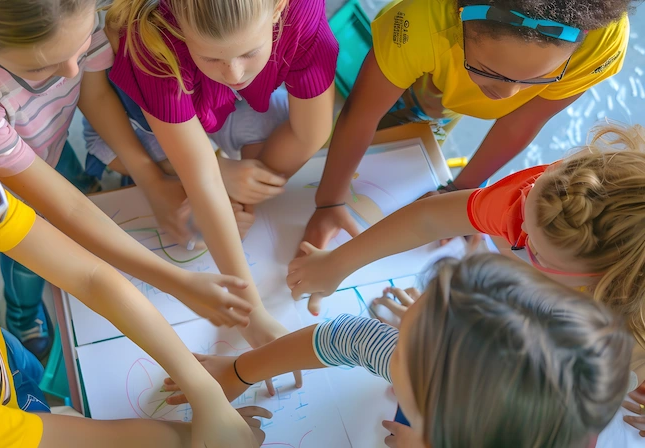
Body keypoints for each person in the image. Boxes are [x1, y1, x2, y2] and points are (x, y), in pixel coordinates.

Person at [0, 57, 269, 447]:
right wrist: (197, 437)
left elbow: (89, 276)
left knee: (26, 371)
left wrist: (206, 394)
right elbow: (86, 441)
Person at [0, 0, 255, 360]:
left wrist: (150, 179)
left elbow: (94, 92)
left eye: (83, 44)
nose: (72, 71)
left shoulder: (67, 16)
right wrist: (177, 282)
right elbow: (66, 207)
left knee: (68, 187)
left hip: (43, 145)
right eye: (43, 66)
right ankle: (19, 316)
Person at [288, 122, 645, 400]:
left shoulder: (614, 340)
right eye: (520, 217)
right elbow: (428, 218)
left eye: (532, 249)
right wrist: (335, 265)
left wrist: (443, 348)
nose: (516, 232)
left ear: (603, 281)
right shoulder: (548, 200)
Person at [84, 0, 339, 368]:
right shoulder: (153, 38)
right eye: (212, 58)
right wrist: (251, 313)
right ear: (181, 30)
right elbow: (200, 175)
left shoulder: (303, 20)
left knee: (203, 211)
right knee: (184, 219)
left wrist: (245, 195)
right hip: (148, 120)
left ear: (279, 9)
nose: (235, 72)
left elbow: (311, 132)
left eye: (249, 53)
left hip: (220, 112)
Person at [162, 254, 634, 447]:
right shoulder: (454, 384)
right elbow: (346, 336)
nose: (392, 338)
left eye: (404, 346)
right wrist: (240, 371)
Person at [302, 0, 632, 252]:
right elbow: (361, 113)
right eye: (489, 69)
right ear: (460, 17)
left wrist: (460, 190)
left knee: (430, 126)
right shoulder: (418, 24)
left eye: (538, 78)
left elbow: (523, 120)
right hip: (432, 72)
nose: (506, 95)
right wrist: (329, 201)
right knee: (412, 107)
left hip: (449, 80)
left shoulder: (600, 43)